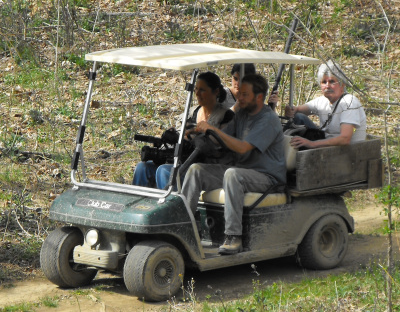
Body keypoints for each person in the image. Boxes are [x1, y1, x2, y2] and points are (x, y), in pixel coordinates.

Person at [181, 73, 286, 255]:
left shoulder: (267, 119)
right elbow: (221, 138)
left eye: (245, 94)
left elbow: (243, 147)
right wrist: (197, 133)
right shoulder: (242, 115)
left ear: (259, 97)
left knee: (233, 174)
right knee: (195, 170)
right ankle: (183, 226)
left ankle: (233, 237)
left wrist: (213, 128)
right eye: (240, 93)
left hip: (267, 177)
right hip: (243, 171)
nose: (240, 97)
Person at [132, 71, 234, 189]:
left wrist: (197, 133)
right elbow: (179, 135)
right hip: (183, 161)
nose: (197, 94)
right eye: (196, 89)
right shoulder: (191, 112)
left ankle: (170, 206)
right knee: (142, 167)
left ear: (216, 92)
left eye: (202, 90)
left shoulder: (226, 116)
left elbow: (218, 144)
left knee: (165, 171)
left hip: (206, 167)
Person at [284, 60, 367, 149]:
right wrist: (291, 110)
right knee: (299, 117)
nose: (327, 86)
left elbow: (345, 139)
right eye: (324, 82)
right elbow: (299, 110)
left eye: (332, 82)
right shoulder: (322, 101)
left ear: (342, 85)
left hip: (346, 152)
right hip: (327, 147)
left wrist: (311, 144)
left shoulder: (349, 102)